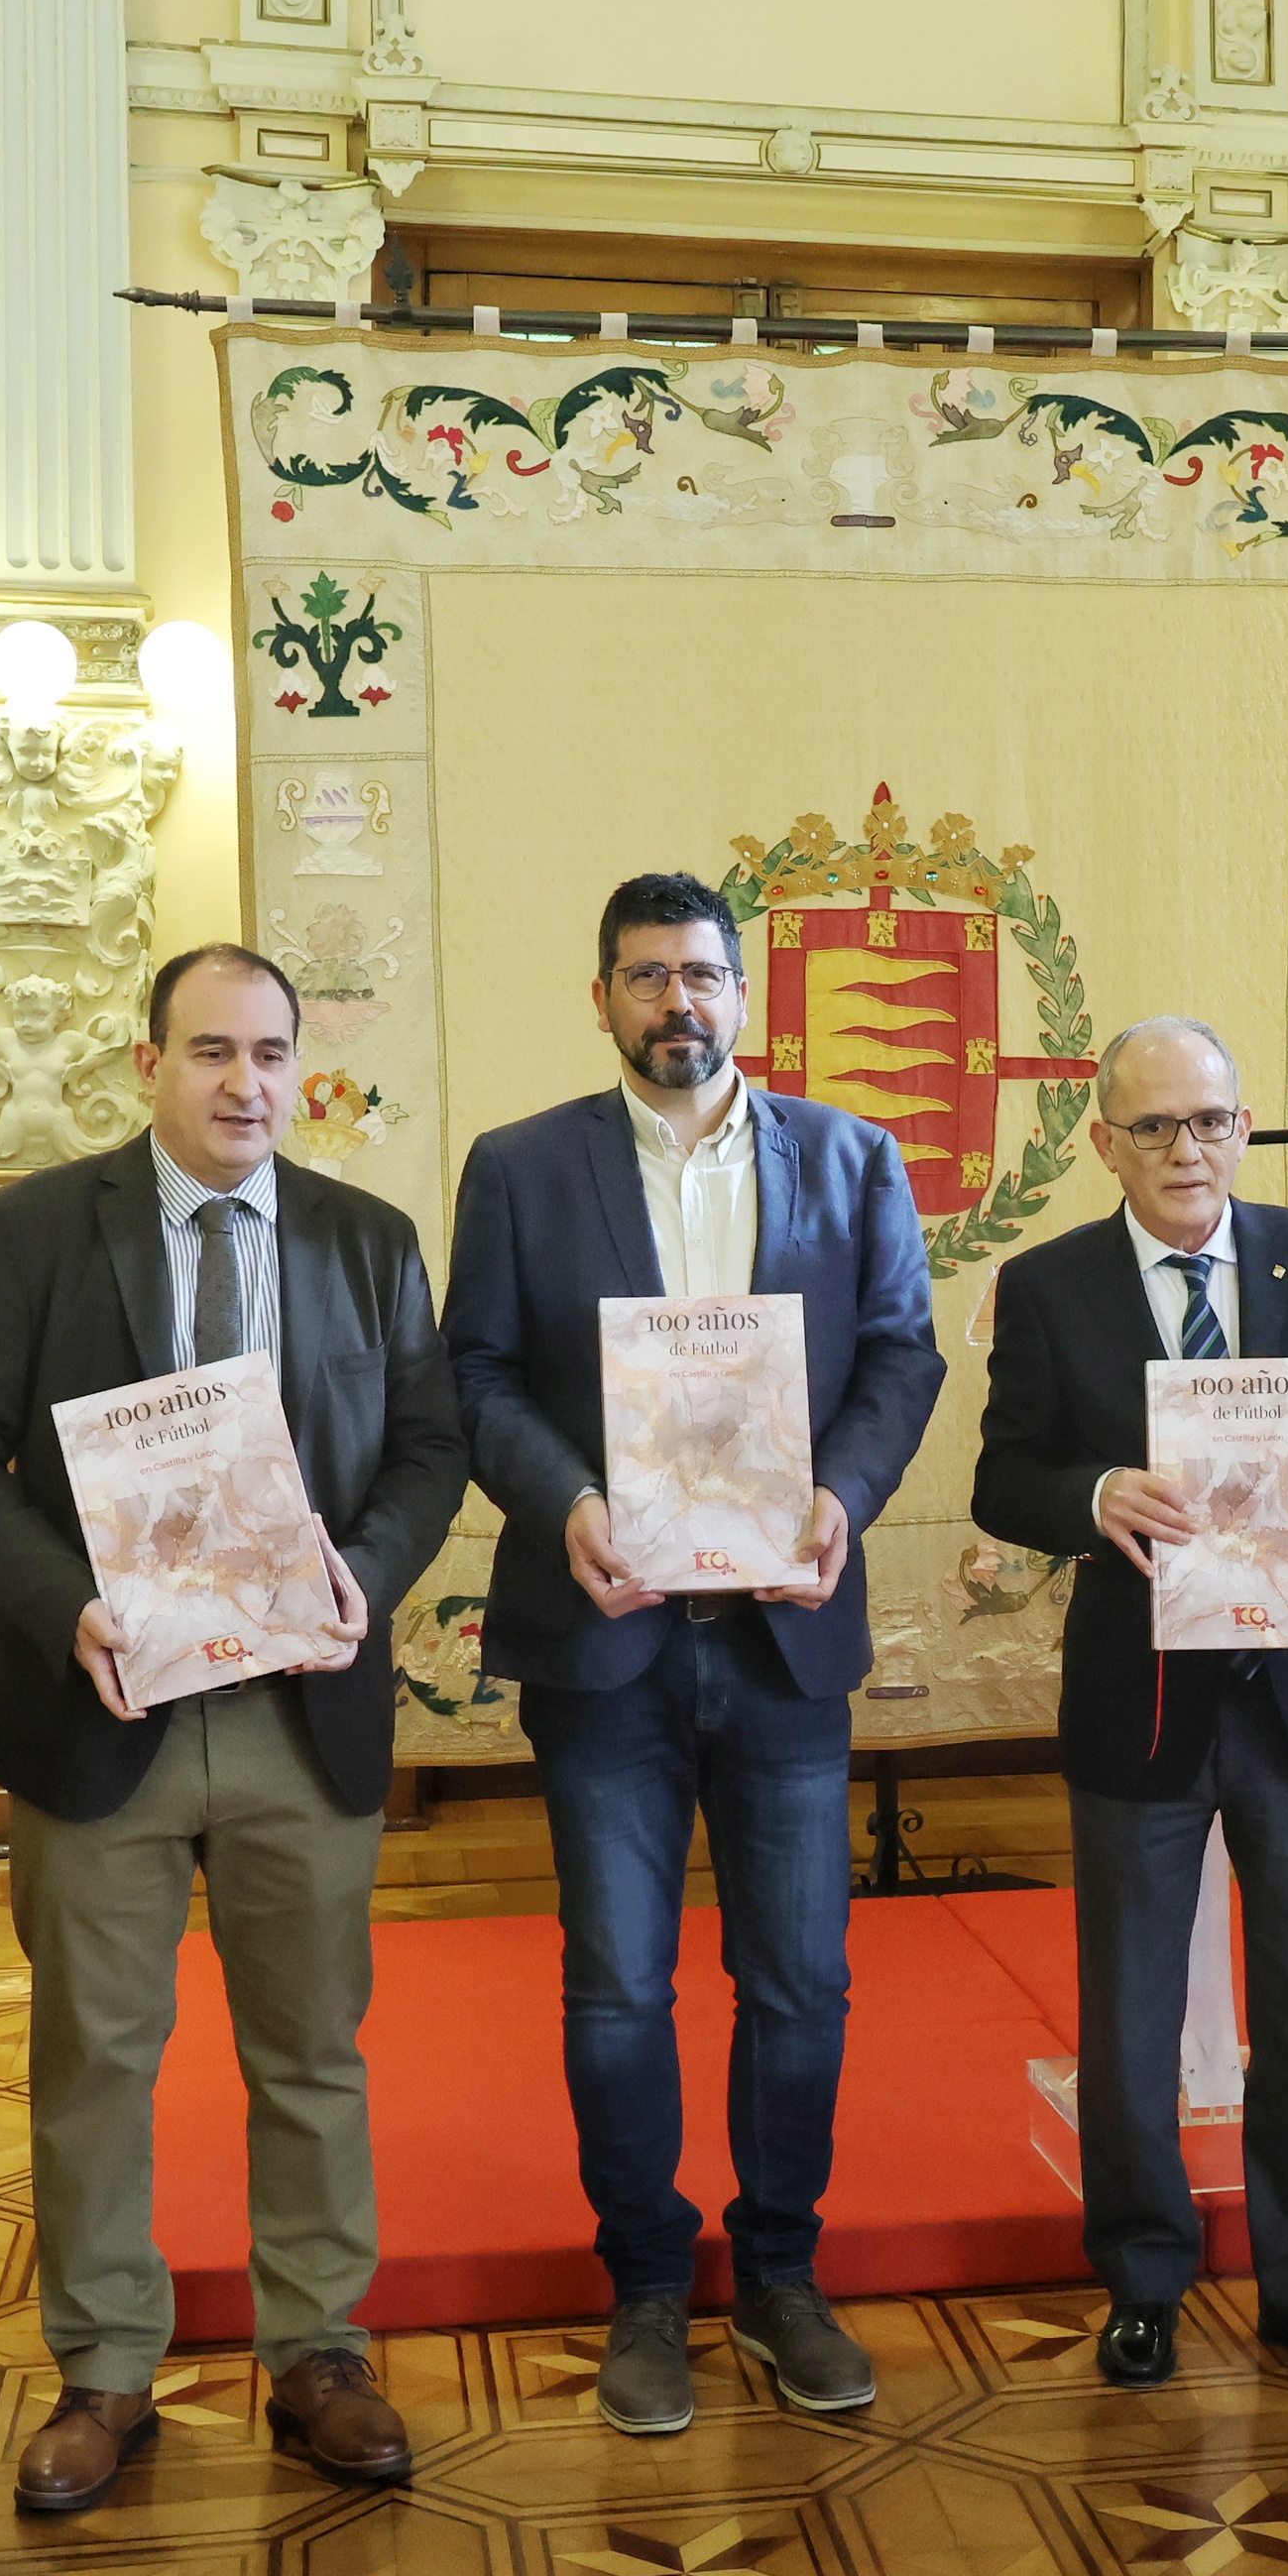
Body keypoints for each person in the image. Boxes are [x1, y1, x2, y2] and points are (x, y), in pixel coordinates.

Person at [0, 942, 469, 2499]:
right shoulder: (38, 1229)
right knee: (96, 2056)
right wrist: (58, 1601)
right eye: (211, 1051)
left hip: (302, 1713)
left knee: (311, 2050)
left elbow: (430, 1445)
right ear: (149, 1065)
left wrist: (364, 1573)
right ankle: (103, 2369)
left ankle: (320, 2350)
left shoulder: (366, 1239)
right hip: (102, 1709)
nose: (245, 1083)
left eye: (271, 1054)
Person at [441, 872, 945, 2436]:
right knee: (616, 1987)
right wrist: (570, 1503)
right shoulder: (521, 1167)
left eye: (704, 974)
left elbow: (901, 1355)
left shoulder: (853, 1158)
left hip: (785, 1639)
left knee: (801, 1982)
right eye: (648, 975)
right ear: (602, 997)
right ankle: (648, 2287)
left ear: (744, 995)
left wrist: (841, 1496)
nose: (679, 1001)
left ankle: (782, 2273)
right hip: (607, 1644)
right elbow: (476, 1372)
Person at [973, 1015, 1288, 2401]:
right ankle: (1142, 2280)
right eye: (1158, 1126)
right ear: (1105, 1143)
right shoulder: (1049, 1284)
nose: (1189, 1149)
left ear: (1243, 1130)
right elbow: (1005, 1477)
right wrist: (1091, 1494)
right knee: (1130, 2012)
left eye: (1213, 1121)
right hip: (1144, 1693)